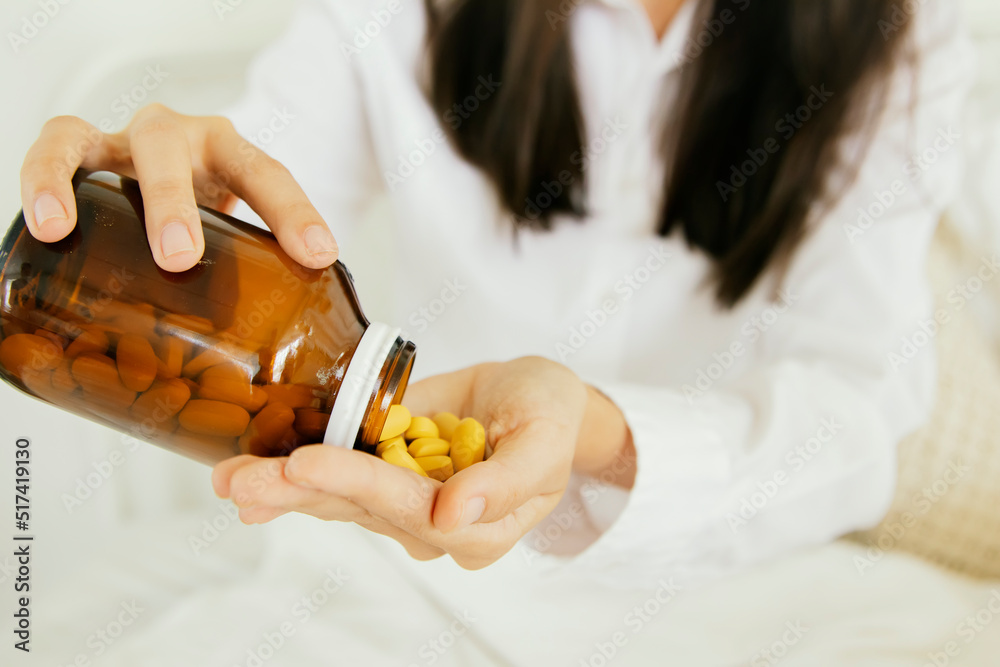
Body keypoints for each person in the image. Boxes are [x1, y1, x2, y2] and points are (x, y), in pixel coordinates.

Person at [18, 0, 973, 588]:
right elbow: (267, 196)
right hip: (390, 585)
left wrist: (595, 435)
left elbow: (859, 409)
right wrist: (173, 227)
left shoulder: (900, 28)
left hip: (734, 594)